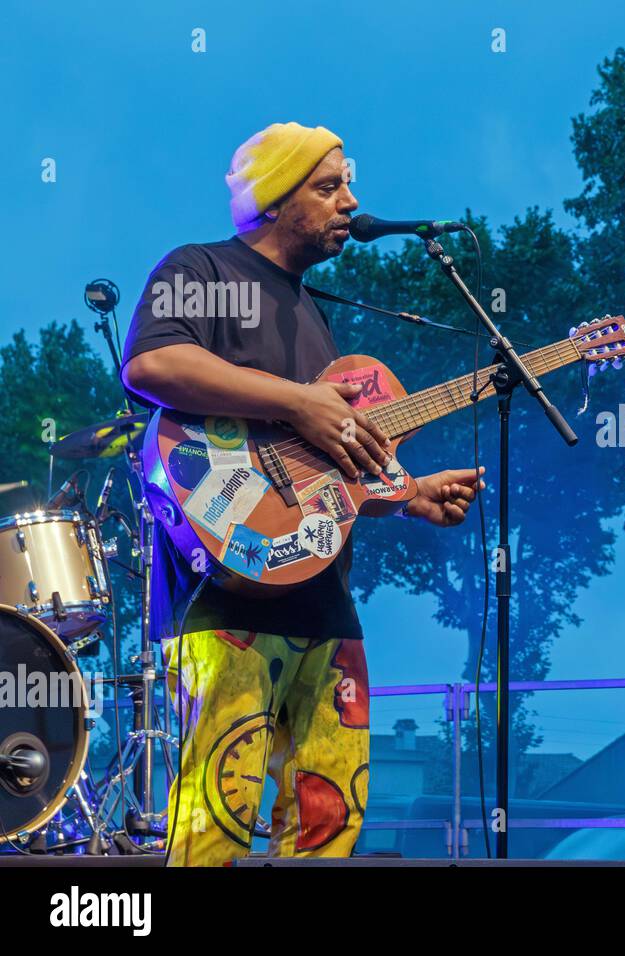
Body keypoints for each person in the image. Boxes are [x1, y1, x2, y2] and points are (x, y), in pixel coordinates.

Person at [121, 121, 484, 865]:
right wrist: (296, 401)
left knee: (329, 819)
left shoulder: (315, 314)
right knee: (213, 825)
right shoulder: (201, 268)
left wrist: (408, 496)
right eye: (328, 186)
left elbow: (312, 476)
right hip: (222, 597)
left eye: (348, 182)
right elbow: (152, 363)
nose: (350, 200)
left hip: (325, 600)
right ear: (275, 200)